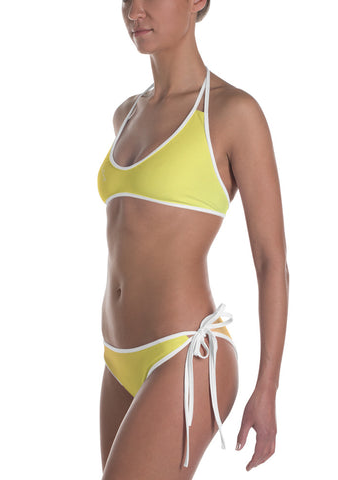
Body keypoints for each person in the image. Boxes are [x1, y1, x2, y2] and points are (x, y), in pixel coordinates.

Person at [97, 0, 289, 477]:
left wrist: (266, 388)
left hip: (186, 353)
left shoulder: (232, 113)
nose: (134, 11)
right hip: (117, 358)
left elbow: (271, 261)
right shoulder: (126, 115)